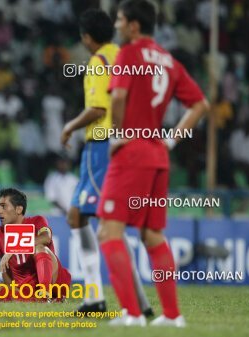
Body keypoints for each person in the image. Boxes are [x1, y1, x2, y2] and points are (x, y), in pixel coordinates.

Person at [96, 0, 209, 326]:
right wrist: (171, 140)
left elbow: (117, 97)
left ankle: (131, 314)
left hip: (131, 153)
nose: (116, 25)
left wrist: (118, 134)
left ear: (133, 25)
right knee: (152, 236)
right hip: (158, 156)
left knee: (108, 231)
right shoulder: (168, 61)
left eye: (119, 20)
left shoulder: (129, 54)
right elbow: (200, 105)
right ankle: (172, 316)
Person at [60, 8, 152, 315]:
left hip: (100, 147)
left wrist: (70, 126)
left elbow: (98, 109)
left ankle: (134, 302)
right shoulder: (124, 55)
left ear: (87, 38)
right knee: (77, 216)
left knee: (104, 224)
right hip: (123, 144)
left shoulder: (98, 62)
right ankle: (96, 297)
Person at [0, 188, 71, 301]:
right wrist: (11, 290)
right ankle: (39, 301)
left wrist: (15, 248)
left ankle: (45, 294)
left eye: (3, 206)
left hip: (52, 281)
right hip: (24, 286)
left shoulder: (37, 221)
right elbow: (5, 268)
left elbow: (46, 238)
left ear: (19, 209)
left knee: (39, 248)